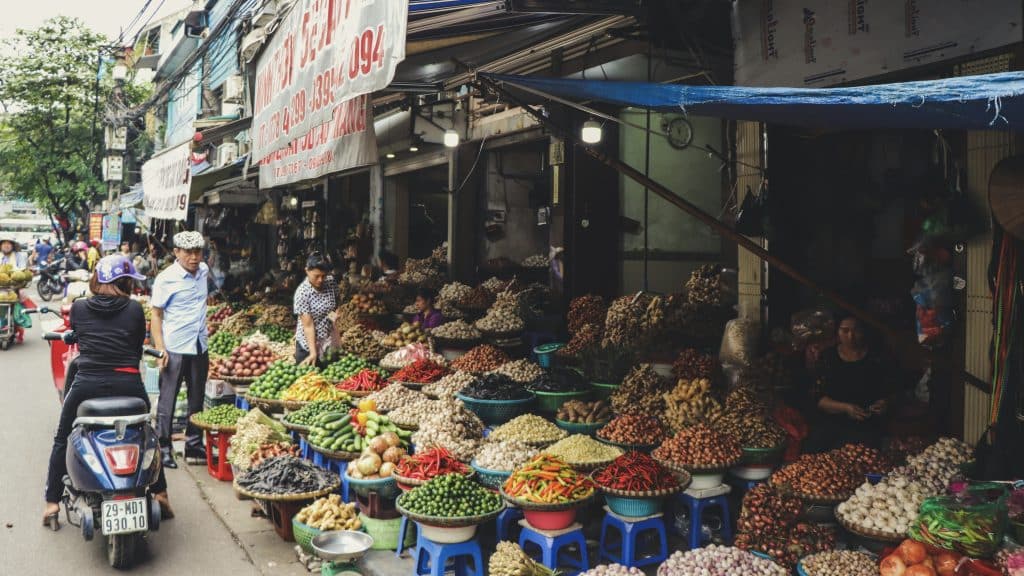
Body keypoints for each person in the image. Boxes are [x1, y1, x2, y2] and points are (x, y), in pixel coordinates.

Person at [42, 254, 172, 528]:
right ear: (124, 282)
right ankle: (160, 494)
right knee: (149, 433)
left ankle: (52, 503)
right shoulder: (135, 310)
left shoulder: (78, 308)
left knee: (62, 437)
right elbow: (137, 344)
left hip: (87, 385)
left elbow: (76, 335)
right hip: (129, 386)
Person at [151, 231, 210, 468]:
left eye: (198, 252)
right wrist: (160, 349)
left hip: (199, 345)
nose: (194, 257)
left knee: (197, 399)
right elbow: (156, 315)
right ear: (176, 252)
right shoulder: (166, 279)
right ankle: (163, 448)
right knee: (168, 401)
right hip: (174, 347)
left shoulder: (204, 271)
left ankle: (194, 445)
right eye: (189, 252)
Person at [812, 315, 898, 449]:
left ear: (864, 332)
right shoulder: (827, 357)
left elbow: (892, 391)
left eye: (856, 331)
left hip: (867, 424)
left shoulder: (877, 357)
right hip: (832, 423)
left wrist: (884, 403)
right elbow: (817, 398)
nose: (851, 336)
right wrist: (846, 408)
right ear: (837, 332)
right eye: (845, 331)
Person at [293, 252, 340, 366]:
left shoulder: (331, 282)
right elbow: (308, 326)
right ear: (307, 271)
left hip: (327, 342)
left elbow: (336, 306)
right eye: (316, 276)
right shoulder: (302, 293)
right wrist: (313, 353)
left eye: (323, 275)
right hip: (308, 344)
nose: (320, 280)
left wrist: (332, 321)